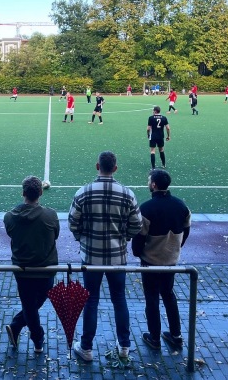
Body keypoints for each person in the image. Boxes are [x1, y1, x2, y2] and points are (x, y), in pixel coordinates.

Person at [69, 151, 142, 361]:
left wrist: (82, 238)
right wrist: (124, 238)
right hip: (117, 257)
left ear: (97, 166)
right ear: (115, 168)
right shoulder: (127, 193)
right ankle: (124, 346)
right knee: (119, 299)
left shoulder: (83, 192)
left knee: (90, 301)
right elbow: (137, 224)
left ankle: (86, 348)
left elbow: (73, 222)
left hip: (91, 257)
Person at [132, 169, 191, 351]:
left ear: (154, 185)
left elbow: (139, 239)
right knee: (168, 295)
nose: (148, 183)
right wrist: (175, 248)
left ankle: (155, 338)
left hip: (151, 261)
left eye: (149, 181)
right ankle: (176, 335)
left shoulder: (147, 208)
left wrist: (139, 253)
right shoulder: (181, 206)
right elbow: (186, 231)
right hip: (170, 260)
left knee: (151, 298)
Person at [4, 176, 59, 354]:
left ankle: (19, 326)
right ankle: (37, 339)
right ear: (41, 193)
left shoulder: (10, 217)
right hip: (46, 269)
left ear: (23, 193)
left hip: (22, 270)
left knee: (29, 305)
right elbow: (55, 235)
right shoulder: (50, 215)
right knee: (34, 304)